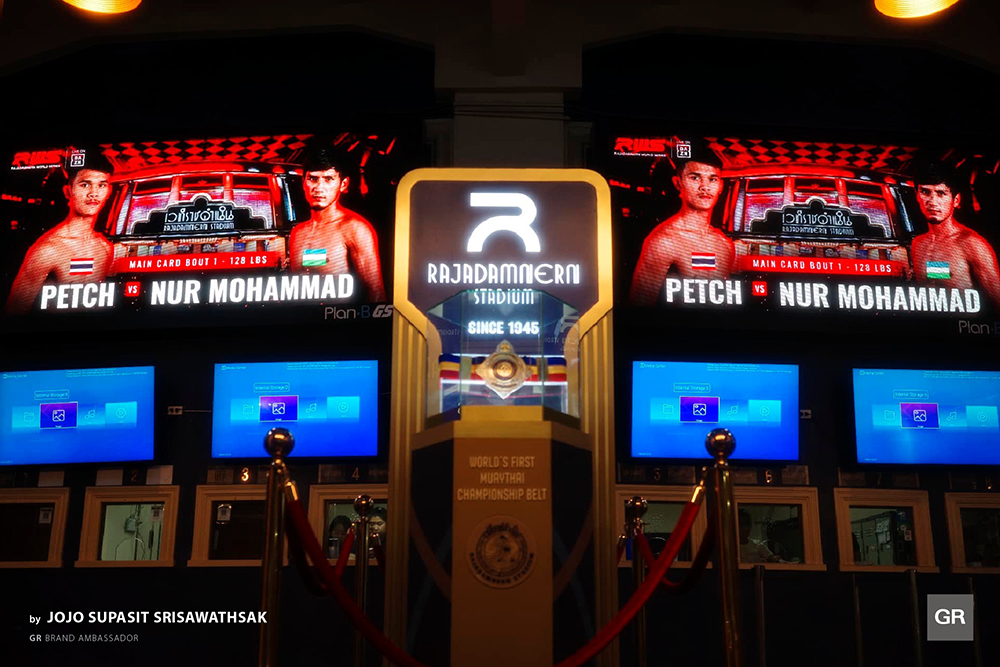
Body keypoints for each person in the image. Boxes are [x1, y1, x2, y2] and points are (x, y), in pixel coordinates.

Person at [4, 151, 116, 314]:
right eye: (85, 185)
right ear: (68, 191)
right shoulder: (47, 250)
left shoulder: (105, 247)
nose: (94, 193)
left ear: (109, 192)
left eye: (101, 185)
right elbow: (13, 313)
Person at [628, 148, 736, 306]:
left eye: (712, 179)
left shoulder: (725, 244)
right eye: (695, 178)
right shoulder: (663, 241)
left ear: (720, 186)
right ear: (678, 183)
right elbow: (639, 308)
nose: (705, 187)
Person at [289, 146, 386, 301]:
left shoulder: (354, 228)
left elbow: (376, 294)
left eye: (328, 179)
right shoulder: (298, 233)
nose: (319, 188)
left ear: (343, 184)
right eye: (313, 179)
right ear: (303, 182)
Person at [910, 161, 1000, 311]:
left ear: (956, 200)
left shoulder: (972, 244)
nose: (932, 201)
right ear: (917, 196)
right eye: (925, 192)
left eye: (941, 193)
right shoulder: (918, 244)